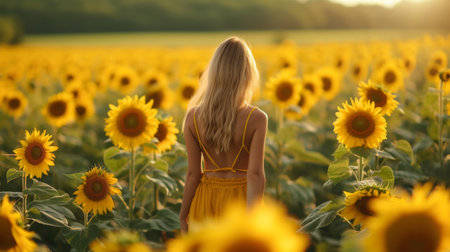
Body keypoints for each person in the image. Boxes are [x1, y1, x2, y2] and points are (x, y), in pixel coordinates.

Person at [179, 36, 268, 233]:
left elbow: (194, 174)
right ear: (247, 74)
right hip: (241, 203)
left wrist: (183, 214)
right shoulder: (257, 118)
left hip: (204, 201)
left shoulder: (193, 117)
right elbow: (255, 175)